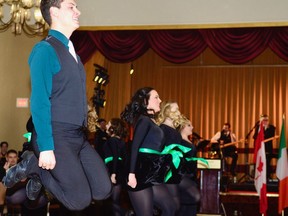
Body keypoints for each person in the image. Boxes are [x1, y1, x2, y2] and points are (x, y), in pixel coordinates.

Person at [3, 0, 111, 211]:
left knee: (103, 190)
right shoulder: (44, 50)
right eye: (72, 6)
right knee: (78, 201)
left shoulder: (74, 54)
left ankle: (36, 168)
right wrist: (45, 148)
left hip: (77, 137)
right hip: (56, 135)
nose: (78, 11)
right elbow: (39, 103)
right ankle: (35, 166)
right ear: (54, 12)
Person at [121, 87, 176, 216]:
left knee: (171, 207)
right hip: (139, 172)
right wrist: (131, 174)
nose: (160, 100)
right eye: (156, 97)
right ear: (146, 101)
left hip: (151, 173)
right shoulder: (144, 120)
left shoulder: (151, 121)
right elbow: (135, 146)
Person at [156, 101, 183, 212]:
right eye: (175, 109)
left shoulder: (174, 129)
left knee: (174, 205)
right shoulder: (162, 129)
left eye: (178, 108)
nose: (178, 111)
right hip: (167, 169)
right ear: (167, 111)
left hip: (174, 168)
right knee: (172, 205)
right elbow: (159, 150)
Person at [103, 118, 128, 216]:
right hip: (118, 169)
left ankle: (125, 212)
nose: (106, 125)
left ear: (113, 128)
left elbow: (115, 155)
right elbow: (125, 158)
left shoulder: (112, 140)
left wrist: (113, 174)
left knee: (111, 200)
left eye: (108, 124)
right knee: (115, 200)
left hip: (112, 169)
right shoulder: (121, 141)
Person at [177, 115, 200, 216]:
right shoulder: (184, 144)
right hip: (186, 179)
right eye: (189, 125)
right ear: (182, 127)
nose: (192, 127)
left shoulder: (183, 143)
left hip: (186, 179)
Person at [253, 114, 276, 179]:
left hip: (267, 149)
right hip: (259, 149)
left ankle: (267, 177)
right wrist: (260, 128)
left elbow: (271, 136)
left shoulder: (271, 127)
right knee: (259, 163)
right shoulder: (258, 127)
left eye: (266, 120)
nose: (265, 121)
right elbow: (254, 136)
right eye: (263, 120)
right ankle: (259, 178)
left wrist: (262, 137)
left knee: (267, 164)